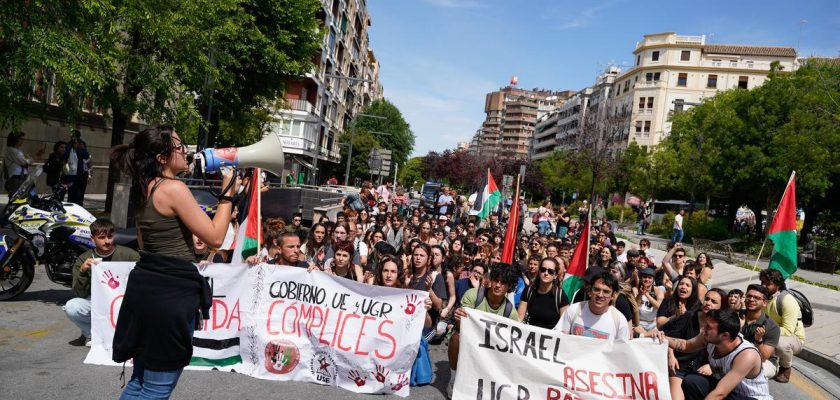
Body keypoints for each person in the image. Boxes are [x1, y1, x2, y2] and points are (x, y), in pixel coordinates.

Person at [110, 125, 237, 399]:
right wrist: (227, 195)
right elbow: (215, 238)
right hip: (169, 297)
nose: (186, 152)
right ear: (162, 158)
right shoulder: (173, 188)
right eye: (179, 147)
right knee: (156, 390)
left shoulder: (146, 187)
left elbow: (145, 244)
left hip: (146, 290)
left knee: (140, 381)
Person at [657, 309, 772, 400]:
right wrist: (662, 338)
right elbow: (685, 345)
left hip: (749, 397)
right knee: (692, 381)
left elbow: (719, 394)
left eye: (708, 327)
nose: (703, 329)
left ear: (725, 335)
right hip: (729, 392)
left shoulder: (747, 355)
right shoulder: (710, 337)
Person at [65, 218, 140, 347]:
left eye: (110, 237)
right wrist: (83, 271)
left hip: (124, 300)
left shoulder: (129, 255)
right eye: (101, 237)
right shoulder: (84, 259)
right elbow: (79, 293)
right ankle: (91, 333)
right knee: (72, 306)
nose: (107, 241)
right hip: (96, 301)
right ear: (92, 238)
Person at [448, 263, 520, 398]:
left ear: (510, 286)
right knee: (456, 338)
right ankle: (453, 378)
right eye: (495, 280)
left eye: (503, 282)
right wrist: (458, 317)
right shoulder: (473, 295)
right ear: (490, 280)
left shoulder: (511, 313)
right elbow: (461, 326)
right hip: (469, 342)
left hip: (491, 351)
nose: (498, 285)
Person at [760, 268, 805, 383]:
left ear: (778, 285)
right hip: (770, 332)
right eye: (762, 282)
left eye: (767, 284)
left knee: (780, 343)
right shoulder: (764, 297)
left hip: (793, 338)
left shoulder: (786, 300)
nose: (763, 286)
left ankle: (786, 367)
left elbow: (788, 330)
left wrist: (764, 332)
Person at [555, 271, 630, 341]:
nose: (600, 295)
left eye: (606, 292)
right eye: (596, 289)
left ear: (613, 295)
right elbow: (558, 338)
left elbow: (621, 351)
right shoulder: (573, 310)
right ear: (589, 291)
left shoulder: (619, 321)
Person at [741, 284, 781, 379]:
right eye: (749, 296)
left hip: (764, 361)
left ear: (764, 303)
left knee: (749, 372)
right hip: (738, 355)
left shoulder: (772, 326)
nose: (751, 299)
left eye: (756, 298)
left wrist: (759, 340)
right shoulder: (735, 316)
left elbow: (764, 357)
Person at [518, 257, 568, 329]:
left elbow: (564, 326)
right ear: (539, 272)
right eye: (543, 270)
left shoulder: (560, 296)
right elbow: (519, 318)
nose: (546, 273)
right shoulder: (529, 291)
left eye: (550, 271)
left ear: (555, 275)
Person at [4, 131, 44, 197]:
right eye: (21, 139)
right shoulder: (11, 150)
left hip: (23, 178)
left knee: (26, 197)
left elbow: (26, 162)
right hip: (15, 178)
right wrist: (36, 156)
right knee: (17, 198)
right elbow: (24, 162)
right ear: (15, 139)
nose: (22, 141)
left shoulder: (18, 150)